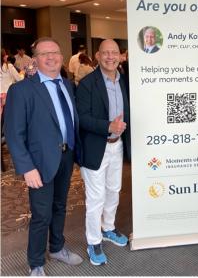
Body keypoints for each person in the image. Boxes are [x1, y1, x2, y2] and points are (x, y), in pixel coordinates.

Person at [4, 37, 83, 275]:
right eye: (44, 54)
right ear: (35, 60)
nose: (51, 57)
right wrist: (26, 168)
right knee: (41, 214)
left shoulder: (68, 85)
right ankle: (36, 263)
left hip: (66, 157)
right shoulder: (21, 89)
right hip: (38, 163)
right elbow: (14, 133)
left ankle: (57, 248)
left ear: (61, 55)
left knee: (60, 206)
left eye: (55, 52)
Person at [76, 39, 130, 266]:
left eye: (114, 53)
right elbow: (82, 118)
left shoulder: (124, 80)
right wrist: (108, 126)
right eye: (106, 53)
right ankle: (93, 240)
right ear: (97, 56)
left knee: (114, 190)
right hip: (95, 148)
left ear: (120, 56)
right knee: (96, 197)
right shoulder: (87, 83)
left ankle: (108, 228)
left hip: (117, 145)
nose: (110, 57)